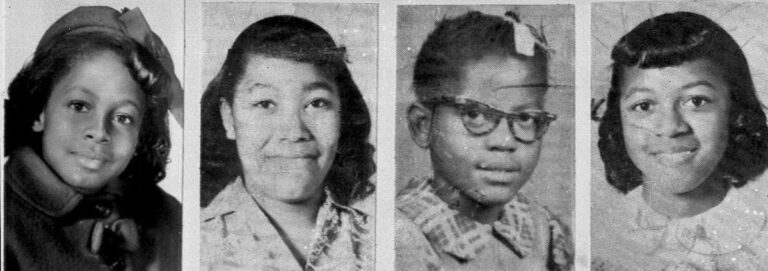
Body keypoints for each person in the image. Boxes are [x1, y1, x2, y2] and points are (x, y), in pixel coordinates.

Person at [4, 6, 182, 271]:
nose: (99, 131)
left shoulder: (170, 217)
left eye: (124, 117)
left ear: (141, 133)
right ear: (39, 110)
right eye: (79, 106)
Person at [396, 11, 572, 270]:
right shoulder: (400, 238)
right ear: (423, 125)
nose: (504, 141)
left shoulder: (542, 228)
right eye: (475, 114)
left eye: (525, 117)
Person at [200, 15, 376, 270]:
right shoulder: (191, 241)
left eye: (316, 103)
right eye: (265, 104)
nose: (294, 131)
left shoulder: (387, 239)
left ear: (342, 114)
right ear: (229, 118)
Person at [595, 11, 768, 270]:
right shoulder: (602, 241)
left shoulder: (760, 232)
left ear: (735, 111)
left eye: (696, 101)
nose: (670, 127)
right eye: (644, 105)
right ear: (618, 120)